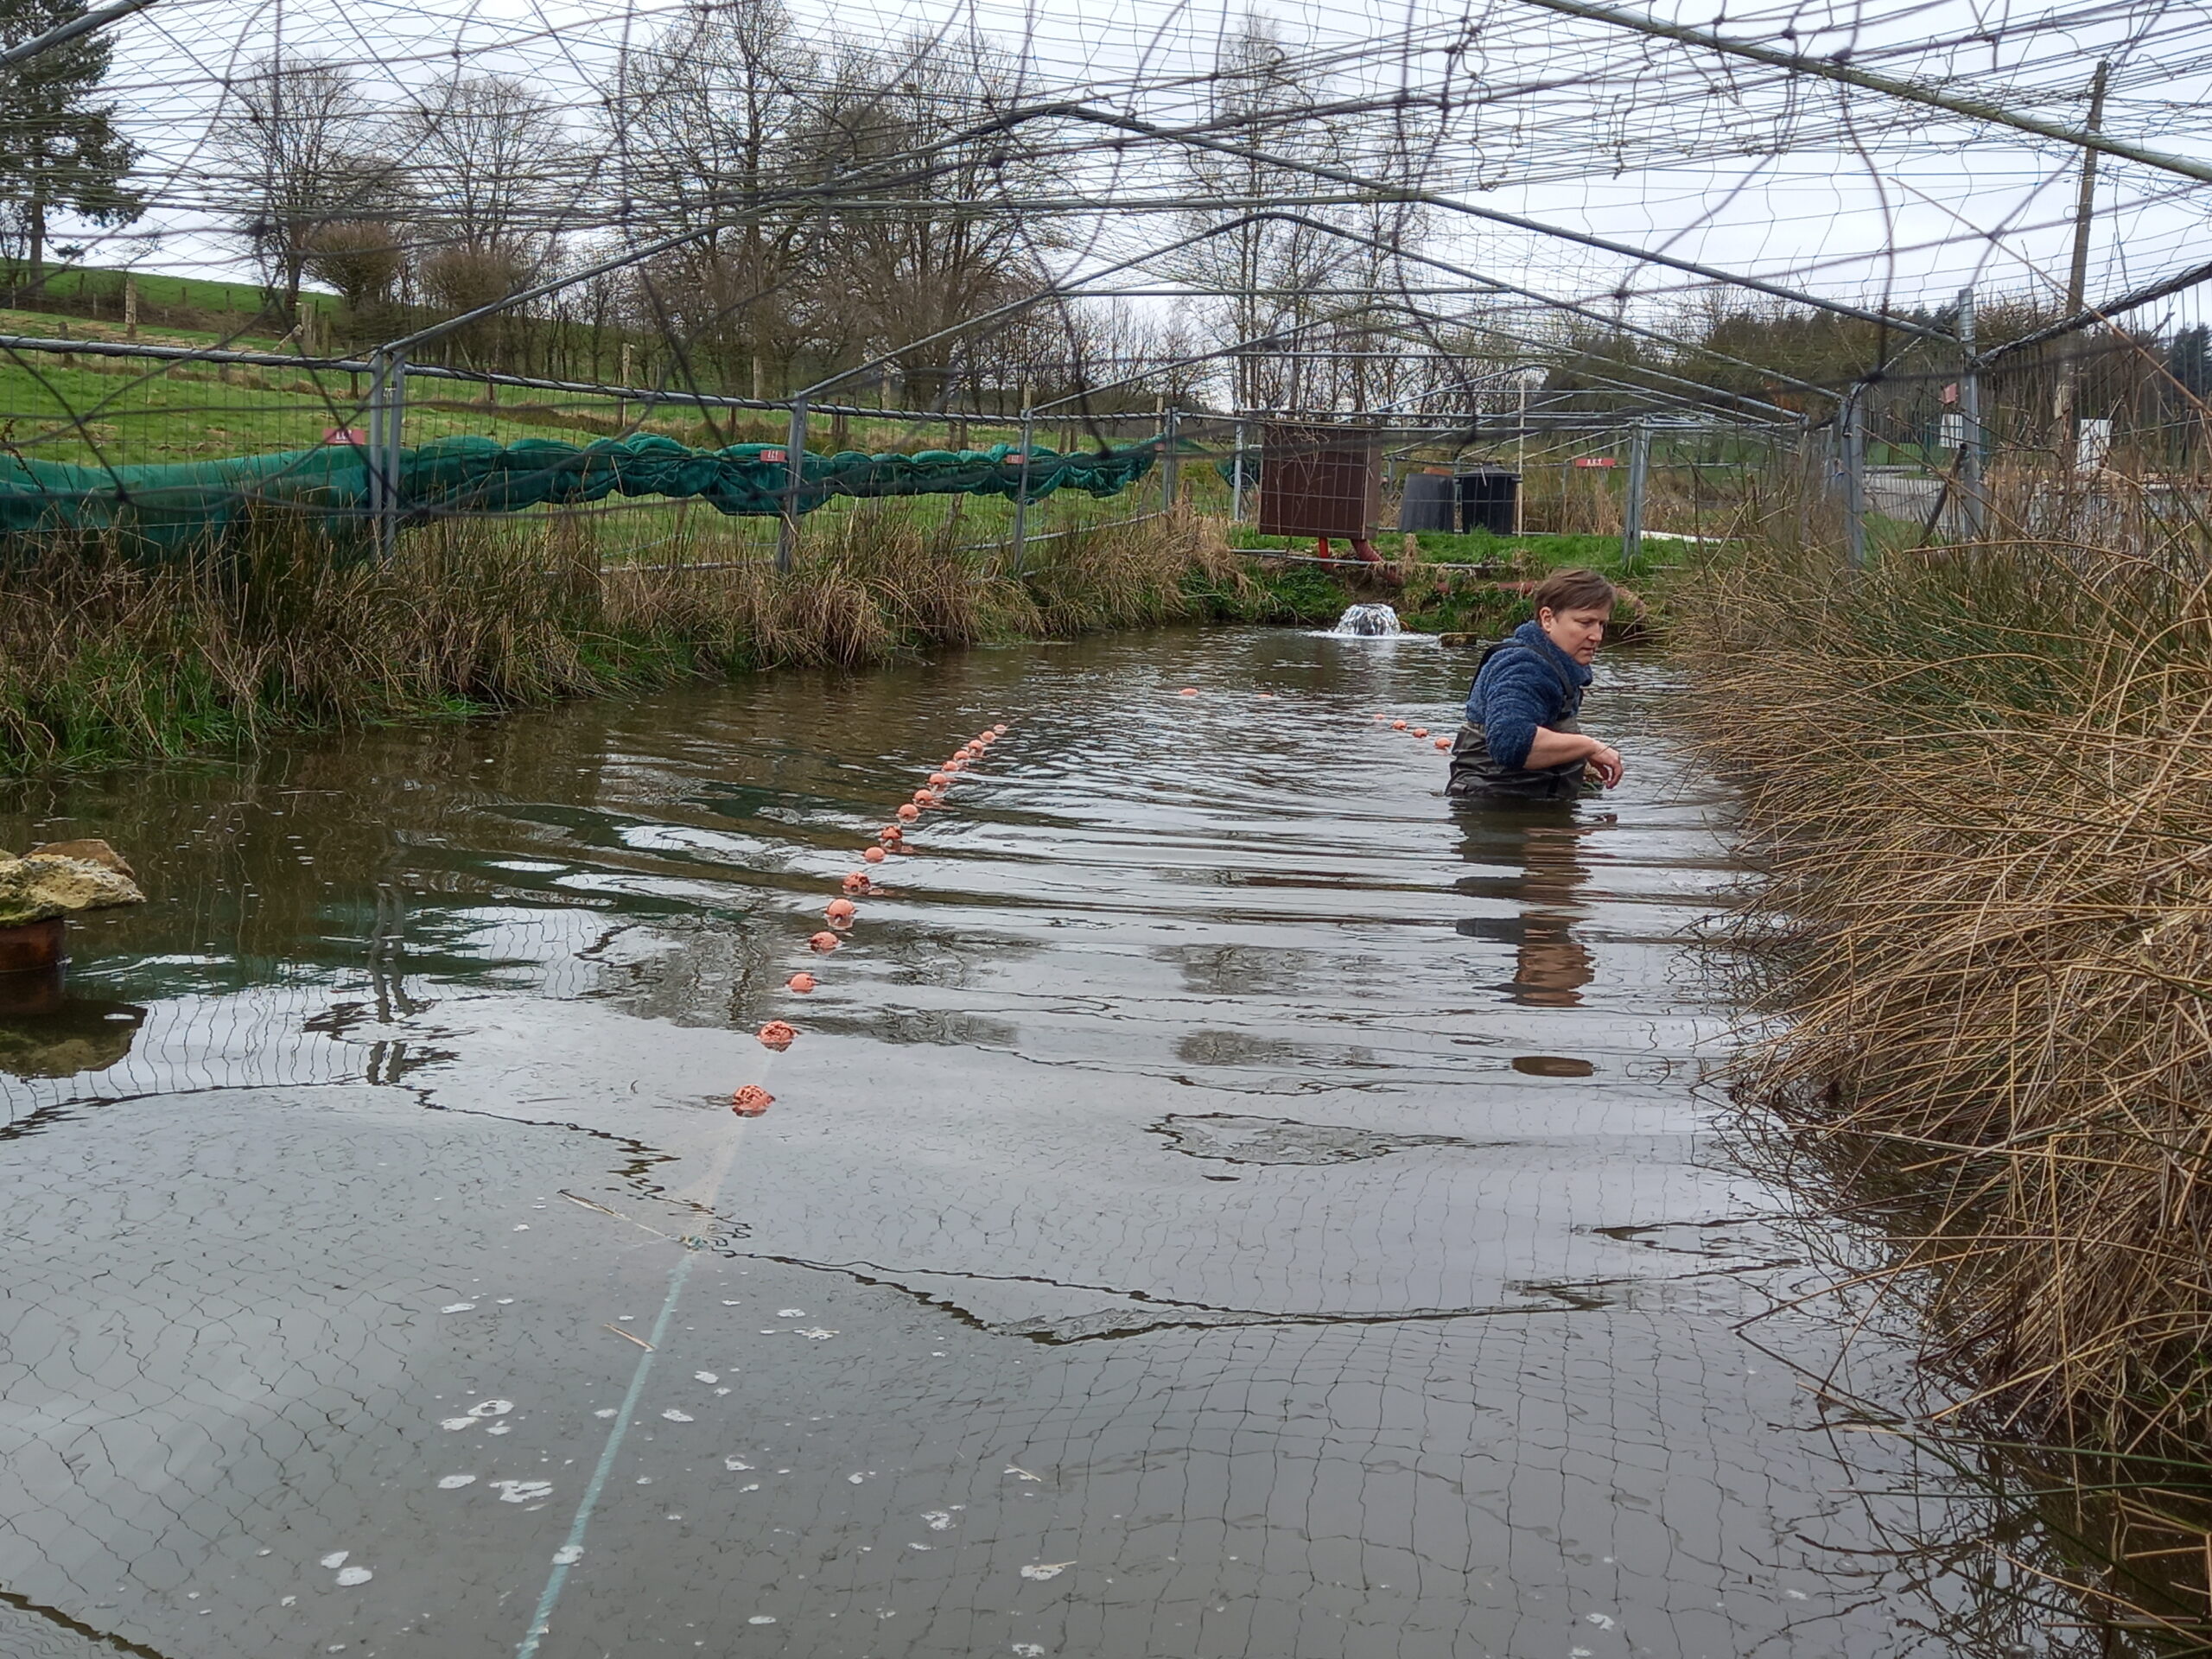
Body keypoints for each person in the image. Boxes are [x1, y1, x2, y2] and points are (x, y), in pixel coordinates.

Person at [1446, 567, 1624, 803]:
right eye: (1585, 623)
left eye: (1601, 624)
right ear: (1548, 619)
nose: (1597, 636)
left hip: (1530, 806)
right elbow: (1511, 743)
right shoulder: (1524, 667)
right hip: (1495, 814)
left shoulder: (1556, 662)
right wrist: (1588, 747)